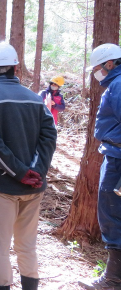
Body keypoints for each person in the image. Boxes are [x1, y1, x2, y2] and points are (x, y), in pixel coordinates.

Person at [0, 43, 57, 290]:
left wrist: (20, 173)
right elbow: (49, 136)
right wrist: (36, 172)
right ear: (16, 68)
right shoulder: (35, 99)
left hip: (2, 187)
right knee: (27, 245)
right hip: (34, 187)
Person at [78, 43, 121, 290]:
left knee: (113, 216)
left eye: (97, 68)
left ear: (110, 64)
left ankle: (113, 280)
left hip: (118, 160)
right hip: (114, 154)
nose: (96, 73)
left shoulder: (117, 86)